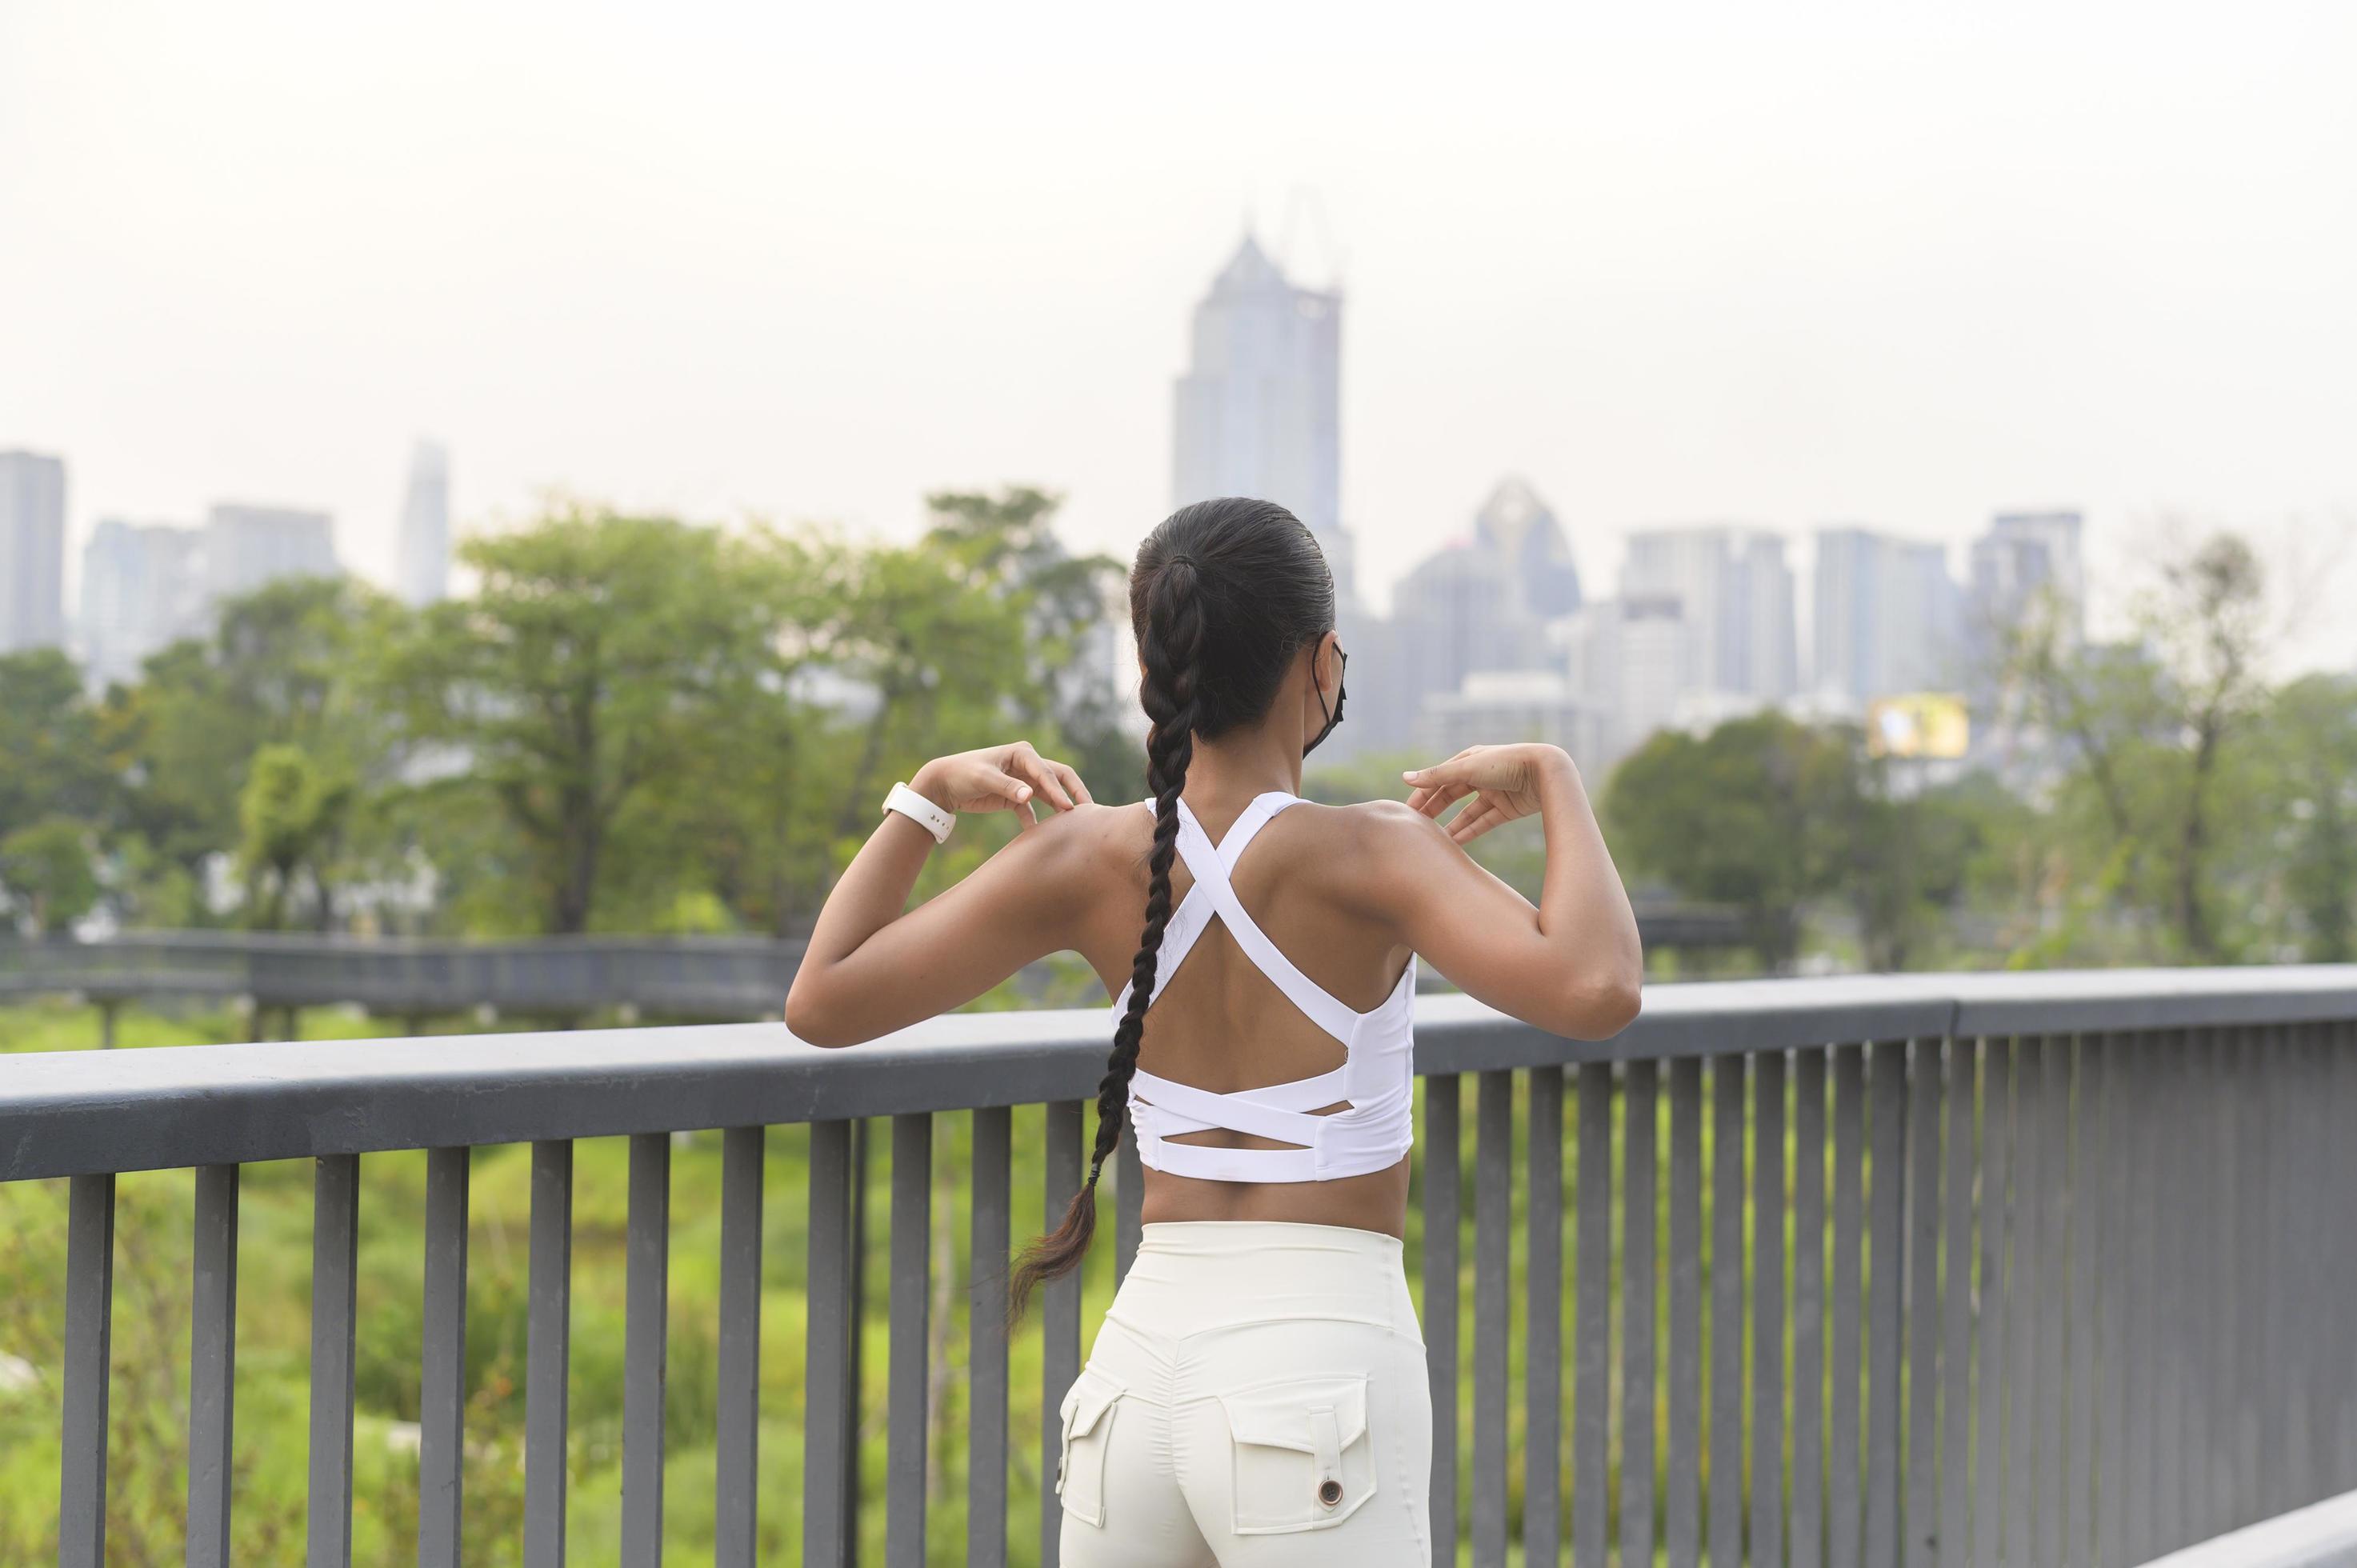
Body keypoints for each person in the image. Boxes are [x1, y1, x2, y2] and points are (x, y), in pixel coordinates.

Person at [786, 497, 1643, 1566]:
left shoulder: (1082, 858)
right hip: (1317, 1370)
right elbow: (1598, 988)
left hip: (1136, 1376)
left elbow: (821, 1003)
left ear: (1156, 666)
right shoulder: (1375, 853)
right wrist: (1557, 780)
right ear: (1321, 663)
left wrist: (922, 801)